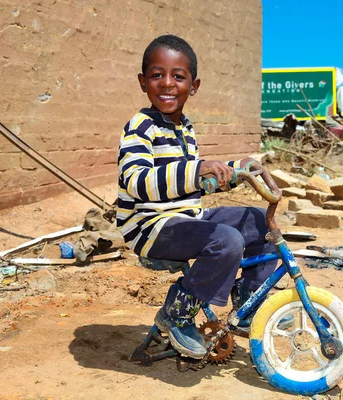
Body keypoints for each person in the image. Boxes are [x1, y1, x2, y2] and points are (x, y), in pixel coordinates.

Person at [117, 35, 284, 359]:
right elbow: (137, 181)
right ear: (143, 82)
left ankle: (247, 302)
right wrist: (196, 173)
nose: (167, 84)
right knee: (227, 241)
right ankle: (177, 313)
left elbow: (197, 177)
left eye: (178, 76)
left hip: (186, 216)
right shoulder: (140, 127)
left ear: (193, 86)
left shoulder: (185, 128)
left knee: (256, 220)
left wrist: (241, 168)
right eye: (157, 75)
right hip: (149, 226)